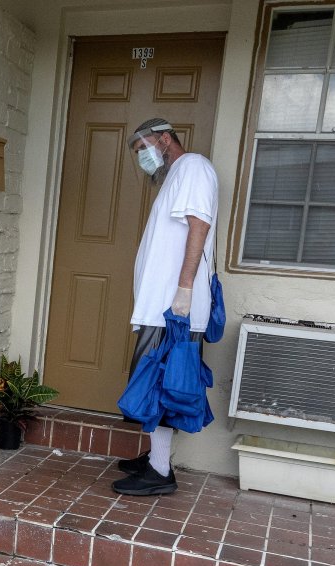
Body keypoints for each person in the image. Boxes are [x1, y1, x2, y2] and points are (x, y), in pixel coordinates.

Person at [115, 118, 218, 497]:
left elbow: (199, 225)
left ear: (163, 138)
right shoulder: (176, 176)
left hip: (173, 307)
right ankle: (157, 458)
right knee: (157, 381)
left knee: (163, 385)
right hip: (161, 305)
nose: (143, 159)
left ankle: (160, 472)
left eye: (144, 150)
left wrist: (185, 290)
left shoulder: (193, 167)